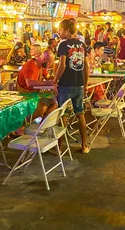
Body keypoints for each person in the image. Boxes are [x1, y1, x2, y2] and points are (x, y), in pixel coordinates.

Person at [54, 18, 90, 153]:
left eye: (60, 30)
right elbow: (87, 66)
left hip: (65, 85)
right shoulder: (82, 45)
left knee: (62, 115)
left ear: (67, 31)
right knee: (80, 113)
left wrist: (54, 81)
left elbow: (62, 65)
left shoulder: (63, 45)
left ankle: (59, 147)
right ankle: (85, 145)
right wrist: (85, 84)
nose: (58, 33)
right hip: (79, 85)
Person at [17, 49, 57, 119]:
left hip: (35, 94)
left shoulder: (41, 66)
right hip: (25, 96)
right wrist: (47, 83)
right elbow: (29, 83)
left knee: (54, 103)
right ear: (44, 59)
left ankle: (42, 125)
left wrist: (57, 79)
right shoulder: (30, 65)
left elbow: (48, 77)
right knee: (43, 108)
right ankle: (24, 124)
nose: (50, 65)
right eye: (49, 63)